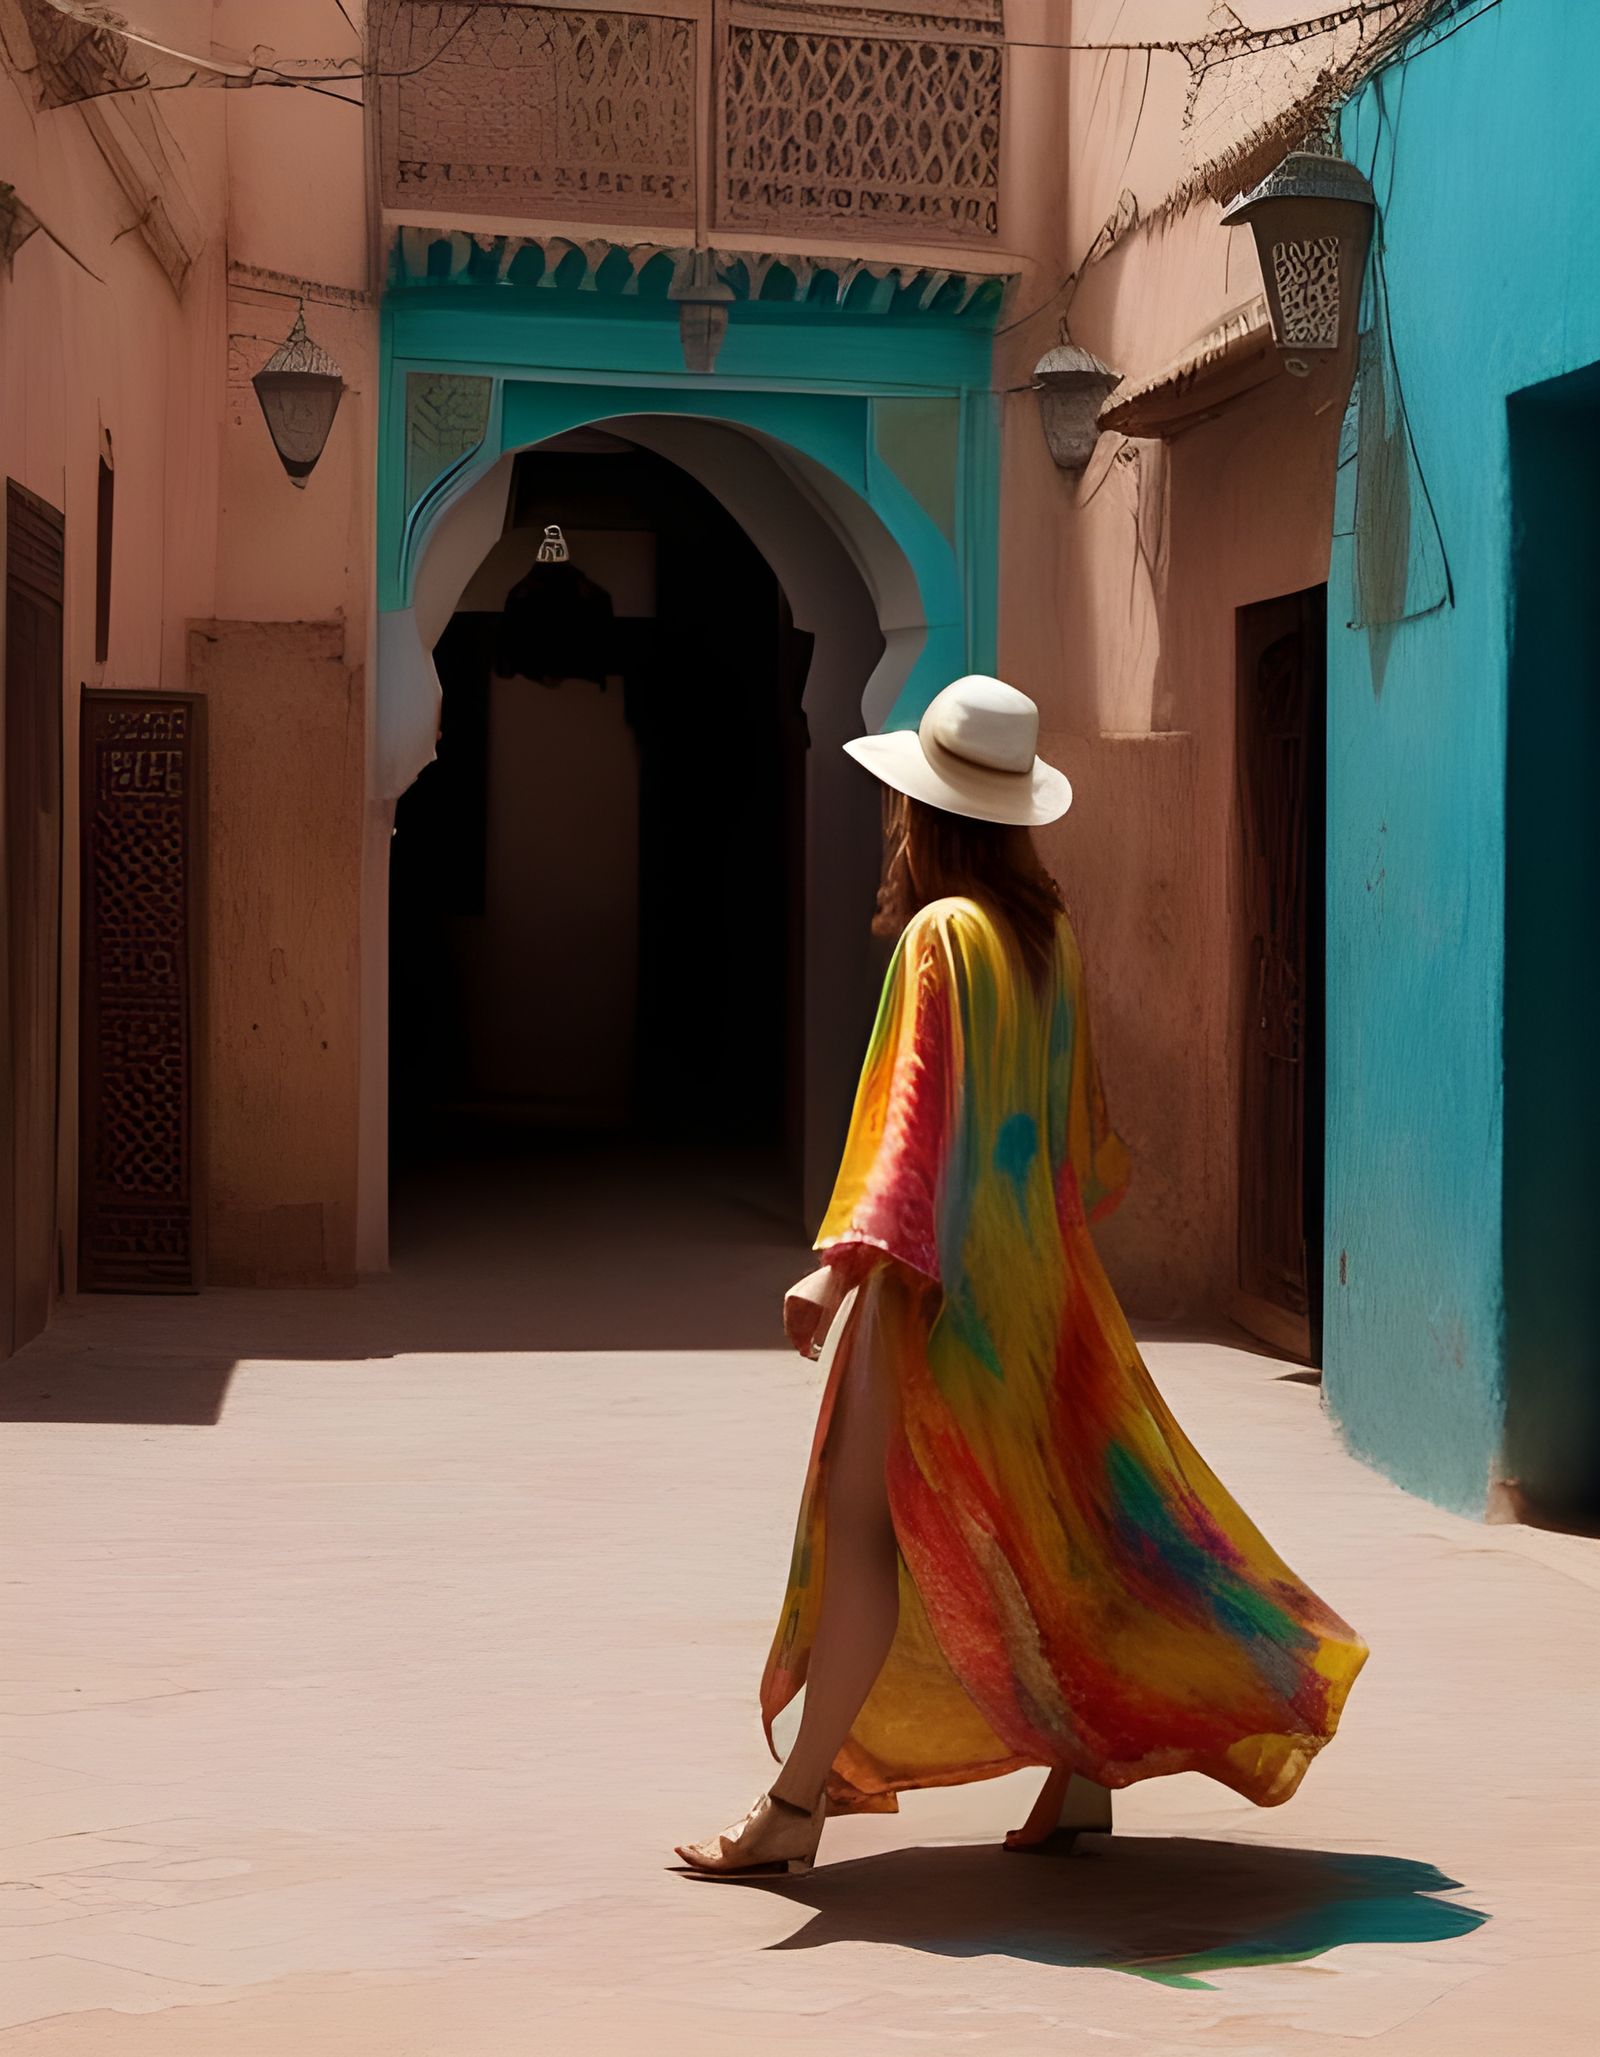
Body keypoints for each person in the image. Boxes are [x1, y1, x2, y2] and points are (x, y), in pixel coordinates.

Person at [675, 676, 1367, 1878]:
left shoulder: (944, 936)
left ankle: (794, 1807)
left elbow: (909, 1131)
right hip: (1039, 1302)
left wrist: (836, 1279)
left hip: (937, 1301)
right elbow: (1076, 1148)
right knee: (1065, 1531)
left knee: (861, 1536)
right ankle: (1086, 1778)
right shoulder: (1048, 940)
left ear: (921, 813)